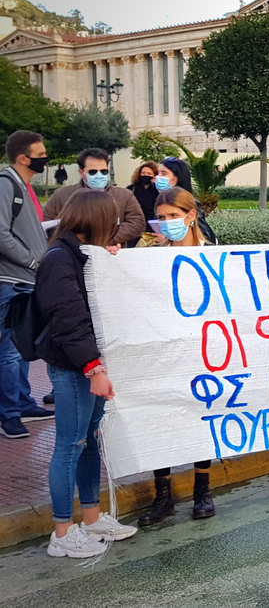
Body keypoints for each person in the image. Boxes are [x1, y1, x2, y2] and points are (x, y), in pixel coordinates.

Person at [37, 190, 137, 557]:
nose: (115, 225)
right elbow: (68, 319)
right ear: (95, 219)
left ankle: (92, 519)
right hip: (74, 365)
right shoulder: (59, 259)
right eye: (111, 218)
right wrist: (93, 368)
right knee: (70, 445)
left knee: (89, 440)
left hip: (87, 362)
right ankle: (62, 533)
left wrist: (106, 261)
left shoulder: (78, 255)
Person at [137, 187, 217, 524]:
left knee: (200, 418)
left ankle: (202, 490)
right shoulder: (145, 255)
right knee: (162, 420)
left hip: (202, 351)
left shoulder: (211, 253)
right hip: (161, 352)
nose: (168, 223)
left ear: (190, 216)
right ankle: (163, 496)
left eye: (174, 216)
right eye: (163, 218)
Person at [0, 131, 53, 439]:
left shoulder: (21, 186)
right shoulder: (7, 185)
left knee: (19, 348)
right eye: (40, 153)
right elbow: (2, 234)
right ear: (24, 158)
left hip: (24, 279)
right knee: (9, 350)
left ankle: (21, 403)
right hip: (12, 280)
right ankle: (9, 415)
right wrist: (31, 260)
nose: (44, 157)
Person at [44, 148, 145, 249]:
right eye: (93, 172)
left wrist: (105, 239)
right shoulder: (62, 195)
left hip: (112, 253)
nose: (99, 175)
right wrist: (80, 240)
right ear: (81, 172)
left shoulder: (124, 195)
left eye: (104, 171)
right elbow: (47, 225)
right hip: (72, 254)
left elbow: (137, 223)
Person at [127, 162, 160, 233]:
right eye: (143, 173)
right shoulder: (131, 189)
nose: (146, 175)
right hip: (135, 227)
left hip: (153, 228)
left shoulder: (158, 190)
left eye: (149, 174)